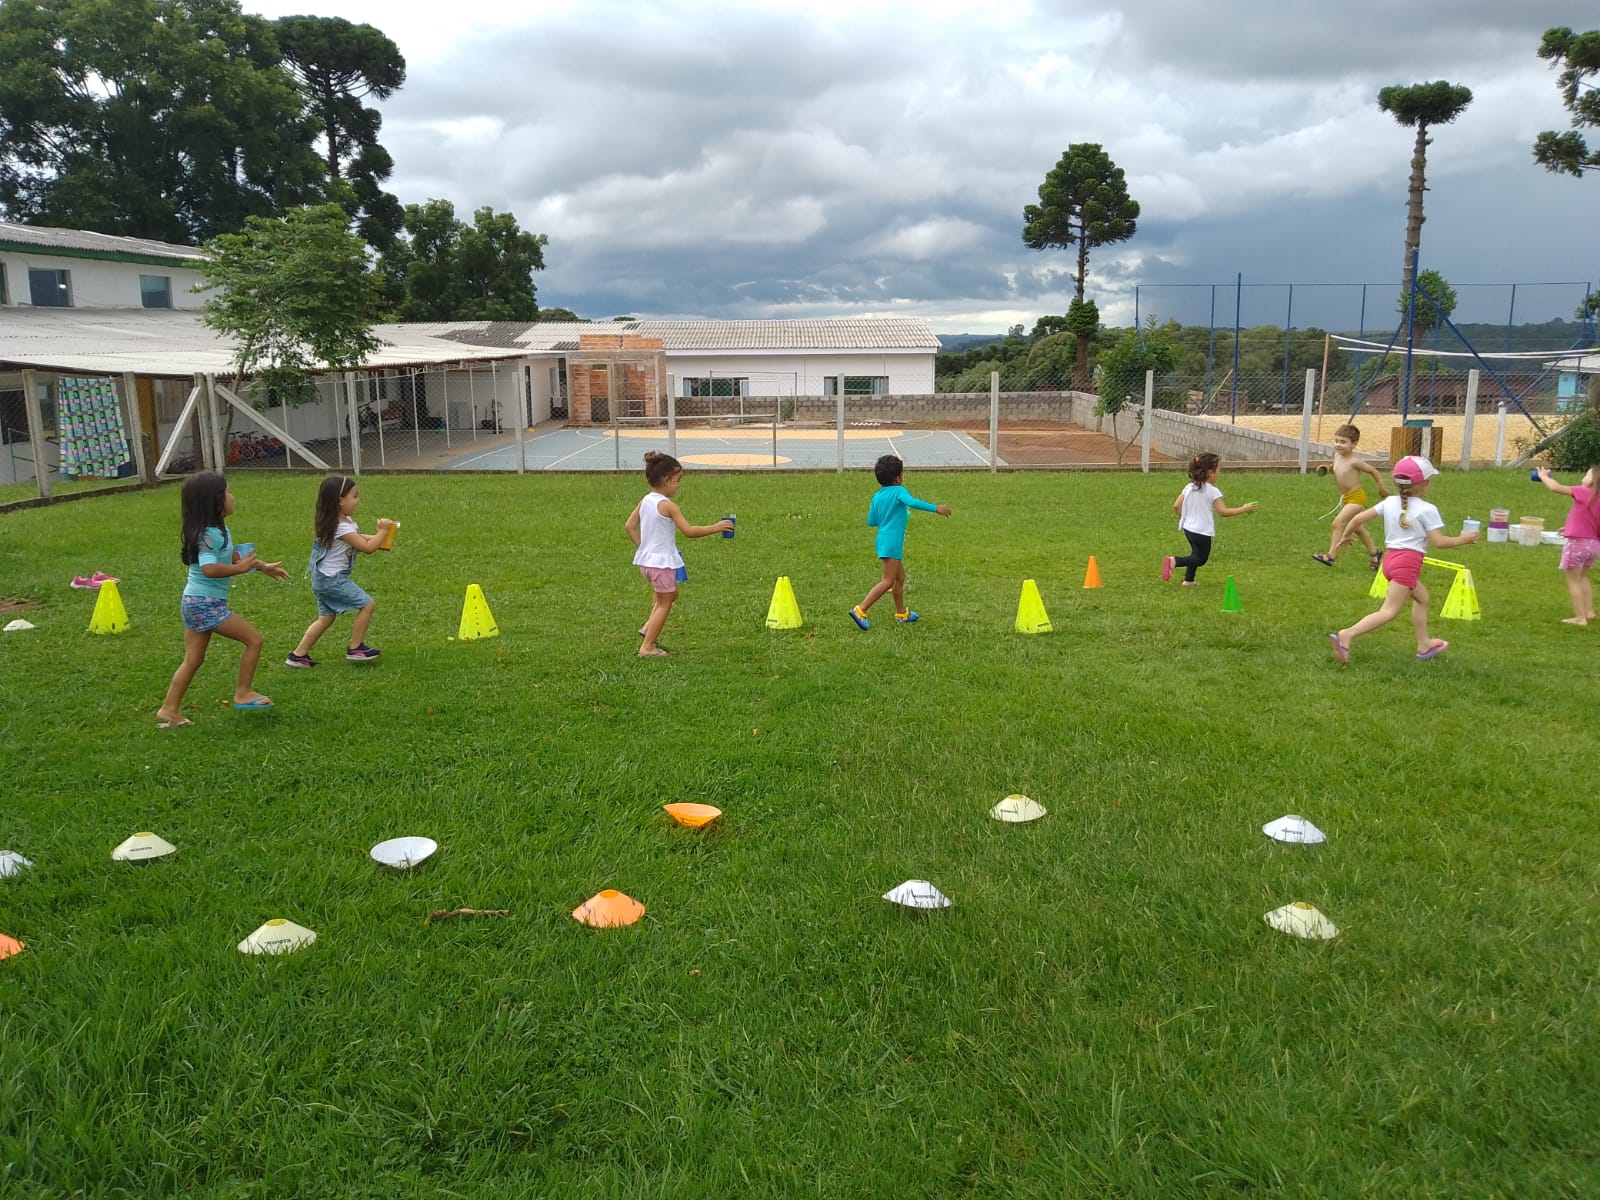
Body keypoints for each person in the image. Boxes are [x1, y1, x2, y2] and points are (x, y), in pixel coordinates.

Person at [155, 471, 289, 727]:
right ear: (215, 501)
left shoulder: (218, 530)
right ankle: (243, 692)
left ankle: (169, 710)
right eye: (227, 492)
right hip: (205, 603)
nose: (232, 496)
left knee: (193, 659)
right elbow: (209, 568)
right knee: (254, 640)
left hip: (194, 601)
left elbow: (230, 557)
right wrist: (239, 569)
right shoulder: (209, 535)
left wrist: (262, 567)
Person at [1329, 455, 1477, 664]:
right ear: (1424, 484)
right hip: (1407, 564)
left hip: (1390, 561)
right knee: (1388, 611)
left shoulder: (1389, 502)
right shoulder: (1427, 509)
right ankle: (1348, 634)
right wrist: (1465, 539)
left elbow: (1357, 518)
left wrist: (1346, 536)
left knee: (1422, 598)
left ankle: (1424, 644)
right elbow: (1440, 542)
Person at [625, 451, 732, 657]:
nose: (679, 485)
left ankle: (648, 628)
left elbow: (629, 527)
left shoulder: (646, 500)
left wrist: (644, 549)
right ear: (666, 480)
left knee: (671, 593)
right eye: (677, 480)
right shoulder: (669, 506)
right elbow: (689, 531)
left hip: (647, 564)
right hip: (661, 565)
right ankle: (647, 647)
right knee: (664, 603)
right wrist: (716, 527)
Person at [286, 474, 395, 667]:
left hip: (322, 578)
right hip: (332, 579)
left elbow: (358, 538)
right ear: (340, 501)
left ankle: (298, 655)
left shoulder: (341, 523)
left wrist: (379, 540)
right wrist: (382, 532)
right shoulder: (341, 527)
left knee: (326, 618)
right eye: (355, 496)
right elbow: (366, 548)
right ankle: (356, 648)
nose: (358, 500)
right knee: (367, 604)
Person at [849, 454, 951, 629]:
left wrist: (892, 516)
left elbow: (871, 521)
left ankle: (901, 613)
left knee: (899, 577)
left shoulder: (877, 496)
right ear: (898, 478)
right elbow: (912, 502)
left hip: (882, 541)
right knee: (887, 581)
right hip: (892, 543)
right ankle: (860, 609)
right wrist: (936, 508)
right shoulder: (899, 491)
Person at [1161, 453, 1257, 586]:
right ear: (1210, 472)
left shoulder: (1190, 487)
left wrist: (1184, 518)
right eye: (1219, 470)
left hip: (1188, 529)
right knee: (1200, 559)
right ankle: (1174, 561)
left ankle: (1189, 580)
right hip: (1202, 531)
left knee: (1195, 554)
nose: (1219, 473)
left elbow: (1176, 505)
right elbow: (1223, 512)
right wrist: (1244, 509)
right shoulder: (1212, 491)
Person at [1312, 423, 1387, 569]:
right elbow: (1335, 469)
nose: (1338, 445)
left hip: (1357, 498)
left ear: (1354, 444)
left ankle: (1330, 556)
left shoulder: (1355, 461)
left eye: (1343, 442)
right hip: (1347, 498)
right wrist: (1327, 468)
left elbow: (1373, 471)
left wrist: (1381, 487)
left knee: (1337, 524)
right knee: (1358, 529)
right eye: (1336, 441)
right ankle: (1375, 554)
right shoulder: (1337, 456)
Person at [1535, 463, 1600, 626]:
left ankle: (1580, 618)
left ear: (1594, 481)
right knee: (1583, 577)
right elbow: (1590, 522)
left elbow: (1555, 487)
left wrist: (1543, 477)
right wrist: (1571, 528)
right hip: (1593, 546)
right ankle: (1589, 612)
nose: (1582, 477)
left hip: (1577, 545)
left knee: (1573, 581)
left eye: (1586, 474)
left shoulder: (1583, 491)